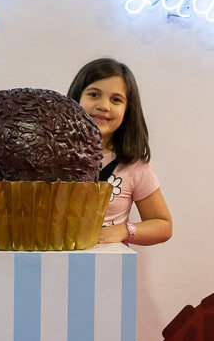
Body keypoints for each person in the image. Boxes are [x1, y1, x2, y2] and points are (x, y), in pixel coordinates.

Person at [67, 57, 173, 246]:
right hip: (51, 265)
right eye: (94, 95)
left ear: (127, 110)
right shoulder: (51, 156)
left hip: (106, 270)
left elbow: (163, 225)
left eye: (116, 100)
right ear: (76, 98)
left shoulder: (134, 165)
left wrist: (125, 230)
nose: (104, 106)